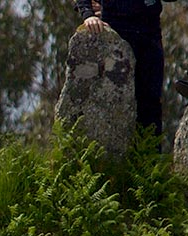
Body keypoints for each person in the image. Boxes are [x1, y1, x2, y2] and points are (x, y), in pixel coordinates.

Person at [75, 0, 177, 135]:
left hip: (149, 33)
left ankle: (148, 154)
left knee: (150, 105)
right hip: (118, 30)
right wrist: (88, 14)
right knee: (112, 102)